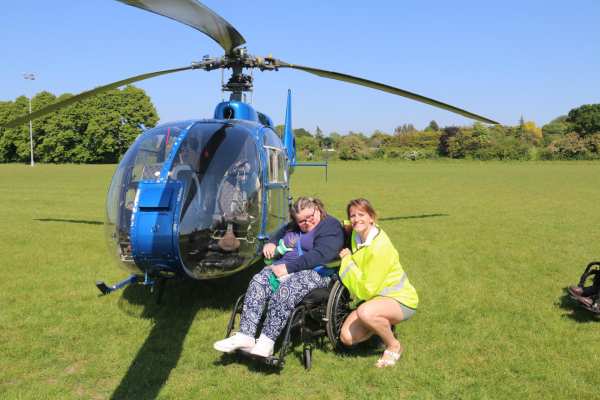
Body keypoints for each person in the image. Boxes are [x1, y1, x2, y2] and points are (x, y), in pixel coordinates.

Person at [213, 196, 345, 357]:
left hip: (318, 272)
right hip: (287, 268)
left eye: (310, 217)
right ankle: (245, 336)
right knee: (259, 280)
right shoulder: (295, 225)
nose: (307, 222)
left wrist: (288, 268)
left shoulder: (330, 226)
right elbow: (282, 232)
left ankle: (266, 342)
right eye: (301, 221)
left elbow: (320, 255)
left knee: (287, 289)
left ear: (317, 210)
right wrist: (272, 242)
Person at [338, 198, 418, 368]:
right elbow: (349, 224)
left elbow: (366, 291)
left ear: (372, 217)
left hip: (400, 299)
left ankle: (393, 345)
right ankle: (381, 326)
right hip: (377, 299)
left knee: (365, 312)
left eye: (361, 215)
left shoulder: (380, 247)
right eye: (352, 216)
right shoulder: (357, 233)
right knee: (346, 338)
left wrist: (347, 261)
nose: (356, 219)